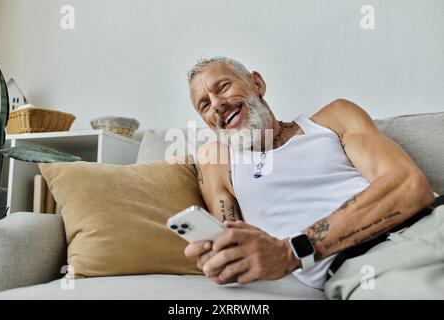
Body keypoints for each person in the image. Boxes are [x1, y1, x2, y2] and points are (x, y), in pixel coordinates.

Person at [184, 56, 434, 289]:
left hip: (431, 223)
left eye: (223, 87)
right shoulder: (217, 159)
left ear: (257, 83)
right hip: (365, 266)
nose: (216, 104)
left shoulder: (334, 117)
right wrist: (219, 256)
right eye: (205, 105)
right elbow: (233, 245)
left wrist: (291, 251)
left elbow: (410, 186)